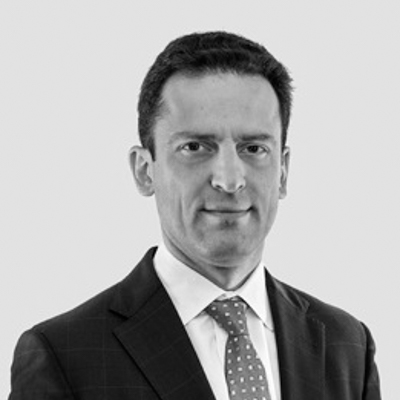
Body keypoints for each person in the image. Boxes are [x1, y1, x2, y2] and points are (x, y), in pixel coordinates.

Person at [9, 31, 381, 400]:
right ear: (144, 170)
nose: (229, 180)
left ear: (283, 172)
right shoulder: (64, 358)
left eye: (253, 148)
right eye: (195, 147)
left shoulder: (347, 346)